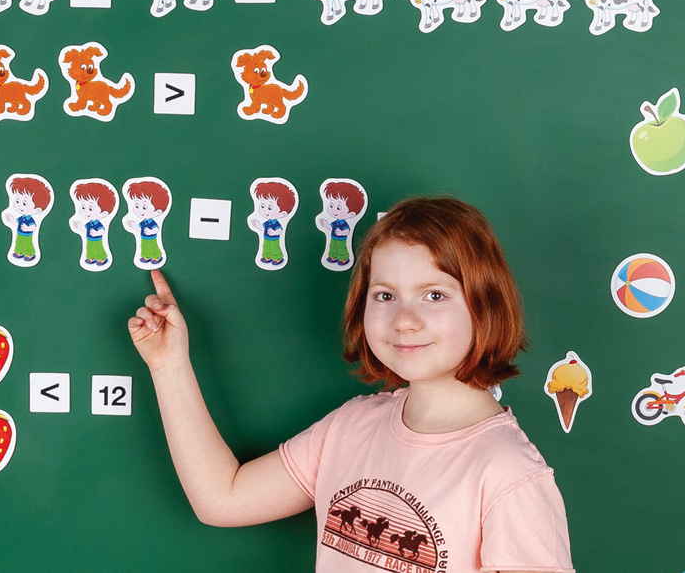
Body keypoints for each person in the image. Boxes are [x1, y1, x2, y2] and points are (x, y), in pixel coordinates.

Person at [126, 196, 572, 573]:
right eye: (384, 295)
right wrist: (169, 366)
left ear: (484, 306)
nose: (405, 319)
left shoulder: (509, 475)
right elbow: (221, 499)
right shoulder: (351, 427)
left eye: (434, 294)